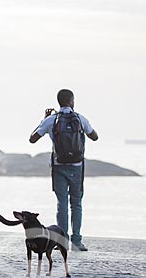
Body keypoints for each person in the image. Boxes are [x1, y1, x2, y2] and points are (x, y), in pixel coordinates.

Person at [29, 89, 98, 251]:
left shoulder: (52, 120)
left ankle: (62, 241)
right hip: (77, 166)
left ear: (58, 101)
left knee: (62, 203)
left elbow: (32, 139)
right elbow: (94, 137)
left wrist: (44, 120)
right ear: (72, 101)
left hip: (58, 166)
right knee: (76, 204)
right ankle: (77, 241)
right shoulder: (81, 119)